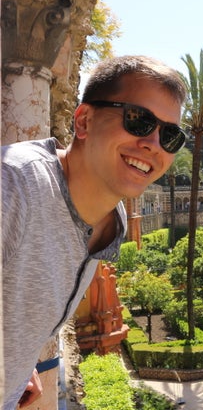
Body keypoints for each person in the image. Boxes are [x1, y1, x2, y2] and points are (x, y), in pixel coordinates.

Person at [1, 55, 187, 410]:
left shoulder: (109, 221)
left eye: (170, 135)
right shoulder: (12, 189)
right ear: (84, 120)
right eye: (138, 119)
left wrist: (18, 364)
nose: (153, 143)